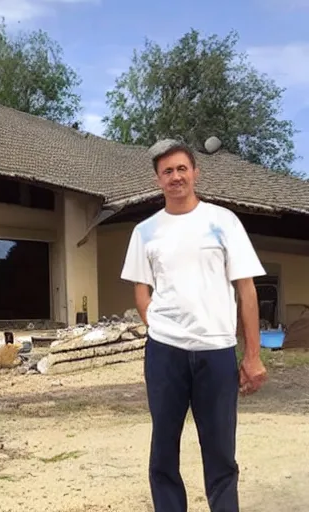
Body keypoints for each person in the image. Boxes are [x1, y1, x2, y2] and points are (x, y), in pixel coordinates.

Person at [120, 139, 268, 512]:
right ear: (158, 180)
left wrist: (252, 355)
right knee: (164, 446)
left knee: (220, 448)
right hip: (165, 352)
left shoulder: (223, 222)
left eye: (181, 168)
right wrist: (155, 324)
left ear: (195, 172)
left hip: (216, 350)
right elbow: (142, 289)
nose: (175, 176)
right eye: (167, 171)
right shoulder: (145, 231)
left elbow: (246, 289)